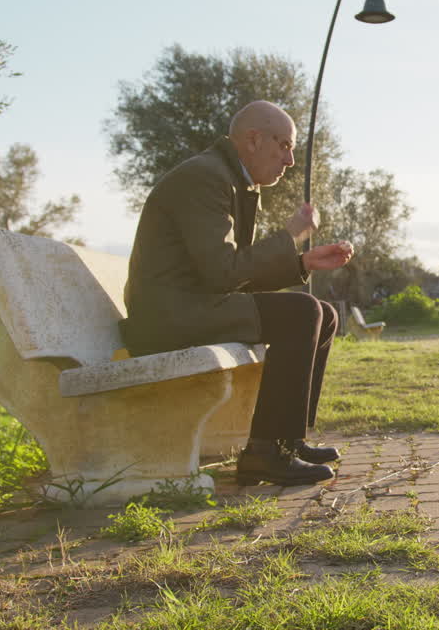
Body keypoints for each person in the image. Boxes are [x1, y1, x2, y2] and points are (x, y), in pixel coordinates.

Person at [118, 100, 354, 486]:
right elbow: (223, 273)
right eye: (284, 145)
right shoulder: (206, 178)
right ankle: (264, 451)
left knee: (323, 314)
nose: (290, 160)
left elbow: (231, 271)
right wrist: (290, 235)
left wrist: (301, 263)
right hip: (168, 317)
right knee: (301, 313)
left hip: (192, 305)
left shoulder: (230, 178)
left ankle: (289, 440)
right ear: (253, 139)